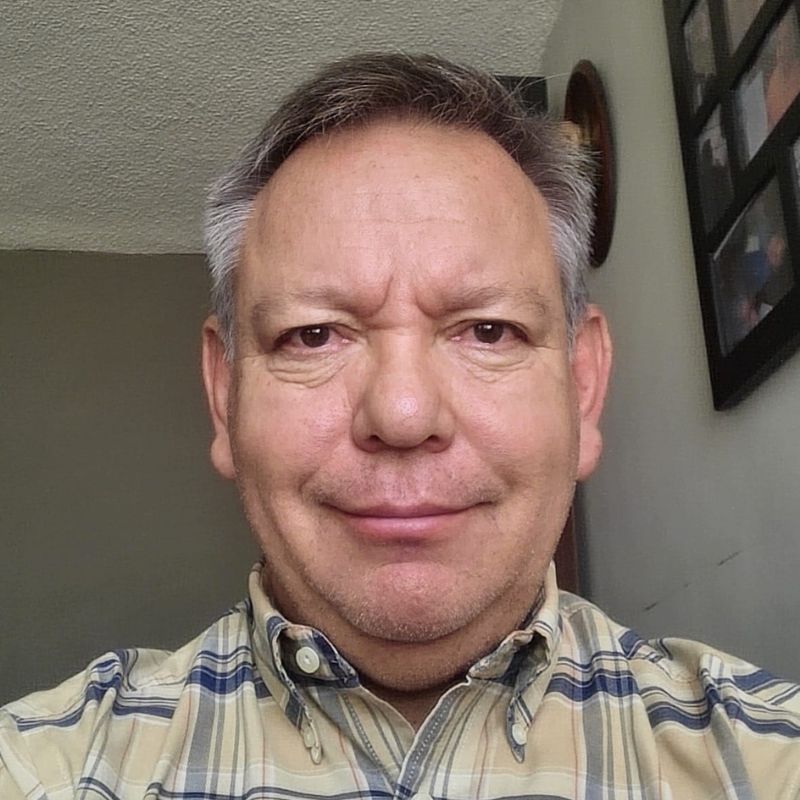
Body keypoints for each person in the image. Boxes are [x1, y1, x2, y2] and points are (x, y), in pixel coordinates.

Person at [1, 52, 799, 799]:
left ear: (582, 388)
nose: (404, 414)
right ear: (224, 395)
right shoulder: (46, 770)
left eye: (487, 330)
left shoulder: (766, 760)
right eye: (314, 335)